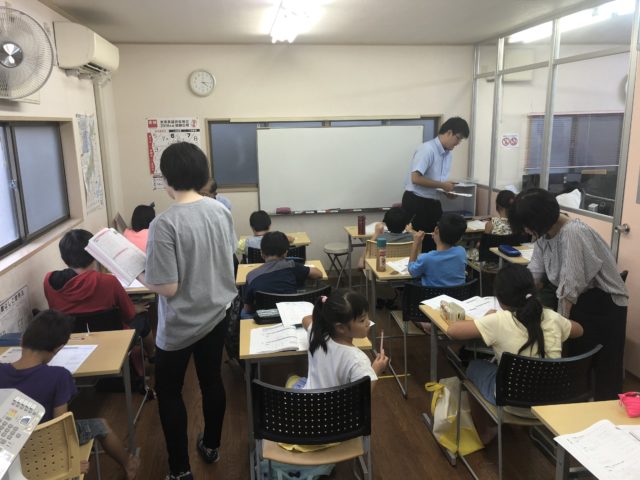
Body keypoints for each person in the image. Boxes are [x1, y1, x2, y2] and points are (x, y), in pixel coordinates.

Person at [141, 142, 238, 480]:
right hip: (216, 314)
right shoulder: (220, 210)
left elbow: (167, 287)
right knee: (211, 381)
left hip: (180, 324)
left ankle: (180, 470)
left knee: (170, 392)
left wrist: (143, 275)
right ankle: (211, 445)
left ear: (167, 178)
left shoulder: (164, 224)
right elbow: (227, 256)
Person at [508, 188, 628, 400]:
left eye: (526, 224)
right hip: (579, 300)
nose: (525, 230)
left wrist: (559, 326)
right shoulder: (544, 235)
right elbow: (535, 274)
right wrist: (516, 300)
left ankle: (602, 413)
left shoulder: (573, 233)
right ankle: (573, 407)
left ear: (538, 219)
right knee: (576, 368)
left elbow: (570, 288)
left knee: (601, 370)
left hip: (603, 304)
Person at [447, 265, 583, 442]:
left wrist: (486, 319)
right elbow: (579, 330)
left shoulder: (498, 320)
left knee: (474, 367)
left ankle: (484, 433)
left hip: (511, 403)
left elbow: (453, 331)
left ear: (500, 298)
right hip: (552, 400)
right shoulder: (552, 317)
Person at [0, 310, 140, 479]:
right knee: (100, 425)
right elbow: (61, 427)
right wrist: (68, 460)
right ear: (58, 348)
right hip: (44, 449)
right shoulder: (59, 376)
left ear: (22, 340)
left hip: (9, 451)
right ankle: (129, 464)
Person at [43, 229, 155, 358]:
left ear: (64, 257)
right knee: (142, 318)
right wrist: (135, 308)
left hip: (69, 342)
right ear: (94, 252)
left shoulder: (49, 281)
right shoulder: (108, 281)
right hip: (113, 339)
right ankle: (152, 355)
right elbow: (129, 314)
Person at [288, 289, 388, 390]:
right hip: (338, 400)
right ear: (340, 328)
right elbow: (364, 392)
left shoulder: (317, 334)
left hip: (310, 396)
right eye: (362, 320)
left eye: (367, 316)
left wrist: (325, 317)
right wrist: (376, 370)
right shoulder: (358, 360)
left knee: (291, 377)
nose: (368, 322)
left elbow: (305, 319)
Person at [402, 117, 470, 252]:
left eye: (460, 140)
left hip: (433, 204)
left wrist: (446, 191)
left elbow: (435, 182)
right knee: (418, 245)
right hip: (417, 202)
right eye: (458, 138)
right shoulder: (427, 149)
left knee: (435, 243)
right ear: (449, 133)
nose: (458, 143)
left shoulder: (447, 154)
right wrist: (443, 185)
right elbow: (415, 178)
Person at [242, 231, 323, 316]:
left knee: (244, 312)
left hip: (263, 319)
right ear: (286, 253)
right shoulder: (292, 266)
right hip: (291, 316)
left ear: (261, 253)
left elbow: (248, 309)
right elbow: (319, 274)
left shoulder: (251, 276)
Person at [408, 213, 467, 287]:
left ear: (436, 229)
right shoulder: (462, 252)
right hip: (457, 294)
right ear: (459, 239)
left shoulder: (427, 258)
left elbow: (412, 271)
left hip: (431, 294)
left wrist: (415, 243)